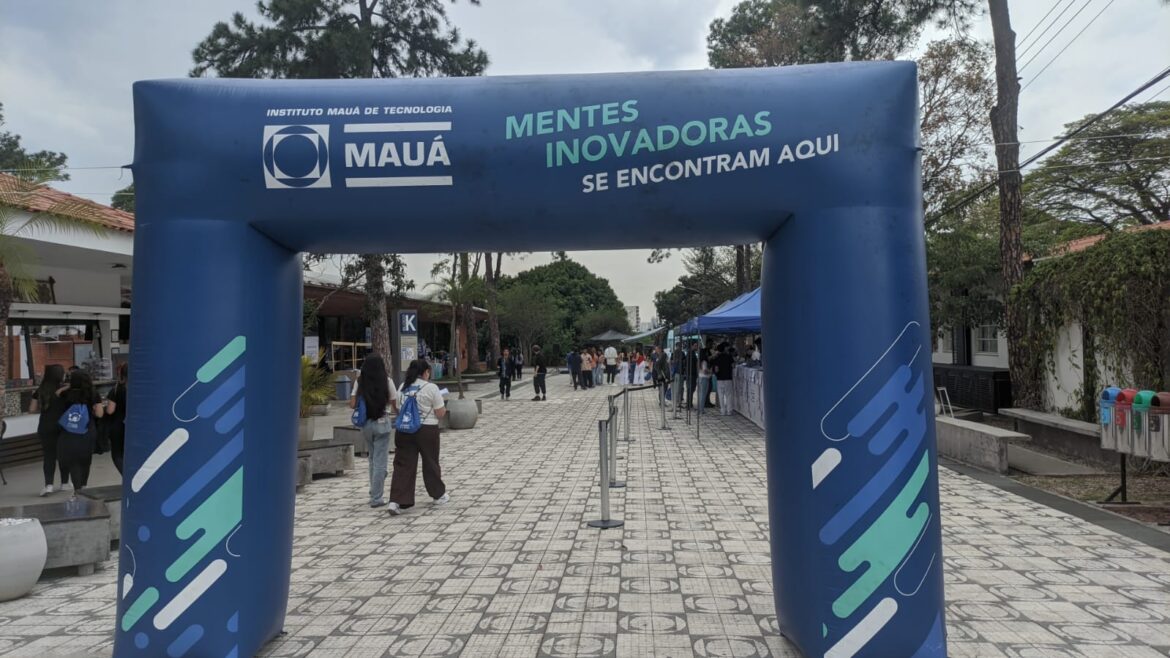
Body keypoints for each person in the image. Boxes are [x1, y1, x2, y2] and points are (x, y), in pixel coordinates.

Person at [387, 359, 448, 516]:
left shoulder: (402, 387)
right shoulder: (431, 388)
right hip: (427, 430)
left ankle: (396, 501)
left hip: (404, 430)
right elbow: (440, 413)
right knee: (430, 462)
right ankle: (438, 494)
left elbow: (398, 408)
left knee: (402, 464)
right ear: (426, 372)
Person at [349, 354, 396, 508]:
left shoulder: (360, 382)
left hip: (366, 424)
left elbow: (352, 403)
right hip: (382, 422)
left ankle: (373, 491)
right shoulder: (387, 381)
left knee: (372, 459)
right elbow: (393, 402)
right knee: (380, 462)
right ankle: (377, 498)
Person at [56, 370, 107, 498]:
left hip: (69, 432)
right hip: (87, 431)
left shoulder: (66, 394)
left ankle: (77, 489)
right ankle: (84, 486)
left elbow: (56, 394)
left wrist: (70, 387)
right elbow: (100, 414)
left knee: (73, 461)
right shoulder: (93, 393)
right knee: (85, 459)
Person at [30, 364, 69, 496]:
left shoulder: (40, 389)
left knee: (49, 456)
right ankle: (64, 483)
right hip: (63, 426)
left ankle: (49, 485)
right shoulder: (65, 390)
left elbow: (31, 409)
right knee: (64, 455)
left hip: (45, 426)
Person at [104, 362, 129, 475]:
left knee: (118, 454)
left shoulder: (116, 390)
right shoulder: (141, 389)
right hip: (134, 426)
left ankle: (127, 477)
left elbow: (110, 410)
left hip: (118, 425)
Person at [713, 345, 736, 416]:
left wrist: (717, 373)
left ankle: (722, 411)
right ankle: (729, 411)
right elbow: (733, 366)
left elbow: (716, 369)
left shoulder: (717, 358)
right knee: (729, 395)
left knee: (721, 395)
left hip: (720, 379)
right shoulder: (729, 356)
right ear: (724, 349)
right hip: (728, 378)